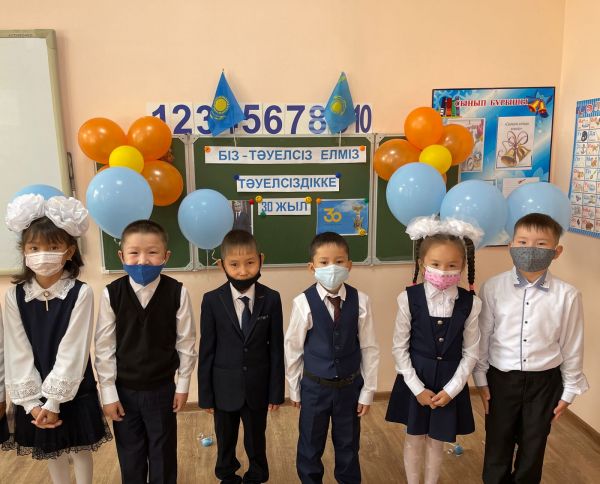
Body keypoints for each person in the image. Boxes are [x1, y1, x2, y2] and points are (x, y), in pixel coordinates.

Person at [3, 194, 111, 483]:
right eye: (34, 247)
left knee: (79, 447)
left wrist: (53, 402)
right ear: (24, 251)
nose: (43, 254)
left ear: (69, 251)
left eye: (53, 247)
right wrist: (33, 404)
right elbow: (17, 350)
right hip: (34, 386)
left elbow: (74, 348)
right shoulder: (14, 296)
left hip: (71, 383)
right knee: (52, 449)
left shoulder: (81, 292)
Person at [474, 213, 589, 484]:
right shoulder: (492, 288)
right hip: (502, 380)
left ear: (556, 252)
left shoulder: (567, 295)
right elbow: (483, 336)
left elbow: (572, 345)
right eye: (523, 242)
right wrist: (480, 379)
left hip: (545, 383)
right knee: (497, 442)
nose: (530, 249)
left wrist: (569, 391)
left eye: (541, 244)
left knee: (534, 445)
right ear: (511, 246)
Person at [94, 219, 197, 484]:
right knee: (131, 457)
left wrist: (183, 385)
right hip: (124, 392)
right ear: (121, 256)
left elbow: (186, 342)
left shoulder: (177, 292)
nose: (142, 261)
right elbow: (104, 347)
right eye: (134, 253)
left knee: (163, 455)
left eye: (152, 252)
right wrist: (108, 392)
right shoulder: (112, 294)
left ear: (166, 256)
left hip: (162, 390)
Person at [385, 216, 482, 484]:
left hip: (449, 383)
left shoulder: (471, 303)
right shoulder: (407, 298)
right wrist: (417, 388)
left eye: (452, 265)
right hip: (415, 379)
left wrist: (452, 390)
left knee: (437, 441)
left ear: (462, 267)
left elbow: (471, 352)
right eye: (436, 264)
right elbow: (399, 348)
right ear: (422, 264)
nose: (443, 271)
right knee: (414, 438)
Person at [285, 231, 380, 484]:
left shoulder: (361, 301)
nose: (332, 268)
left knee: (348, 446)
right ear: (312, 267)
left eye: (339, 261)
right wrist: (294, 389)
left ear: (349, 265)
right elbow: (293, 348)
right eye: (324, 262)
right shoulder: (303, 303)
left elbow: (370, 348)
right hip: (314, 388)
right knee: (310, 445)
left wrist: (368, 391)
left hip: (349, 388)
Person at [198, 229, 284, 484]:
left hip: (258, 386)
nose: (243, 271)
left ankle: (257, 475)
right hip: (223, 387)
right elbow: (207, 350)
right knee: (225, 438)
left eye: (250, 263)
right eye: (234, 264)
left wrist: (276, 392)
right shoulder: (211, 300)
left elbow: (276, 348)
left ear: (261, 260)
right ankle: (227, 475)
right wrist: (206, 395)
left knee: (257, 439)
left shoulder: (272, 298)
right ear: (221, 265)